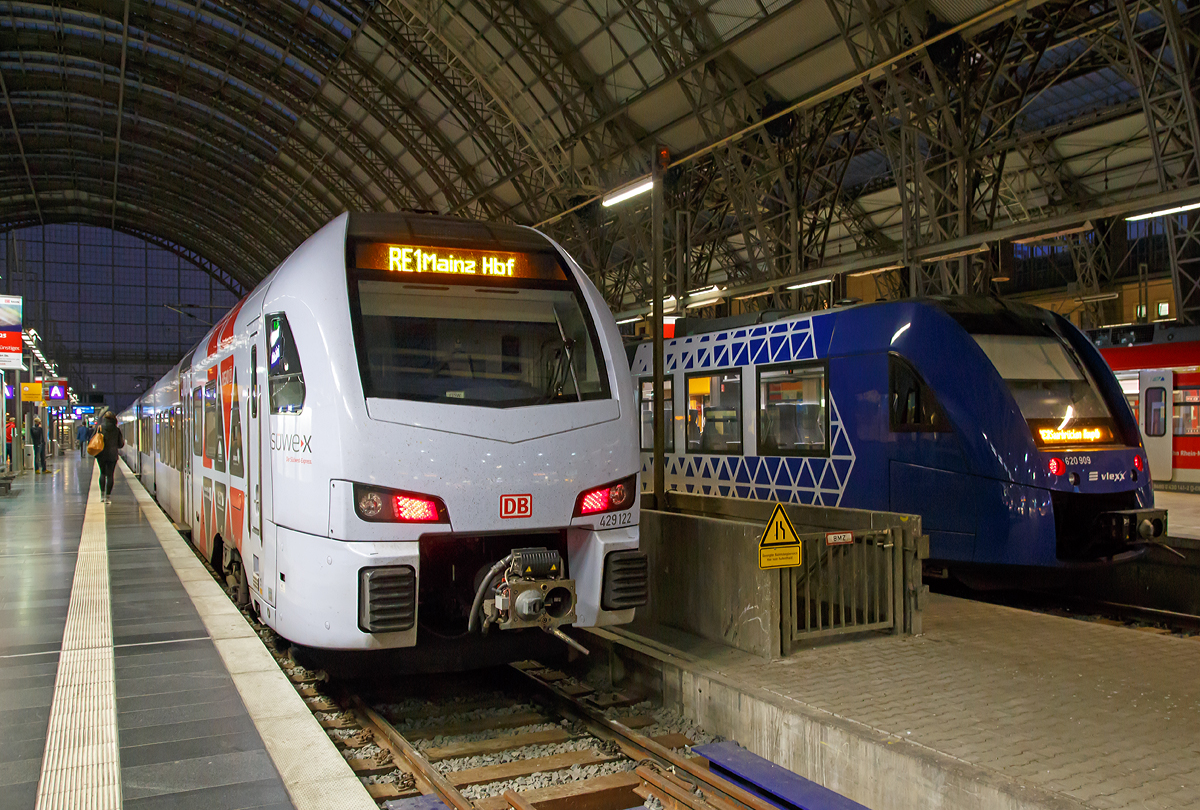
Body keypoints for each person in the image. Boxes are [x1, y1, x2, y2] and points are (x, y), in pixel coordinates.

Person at [95, 411, 124, 504]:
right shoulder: (116, 430)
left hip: (101, 454)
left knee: (102, 473)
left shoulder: (100, 428)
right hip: (112, 455)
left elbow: (92, 440)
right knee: (110, 475)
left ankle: (102, 496)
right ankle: (108, 497)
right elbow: (120, 444)